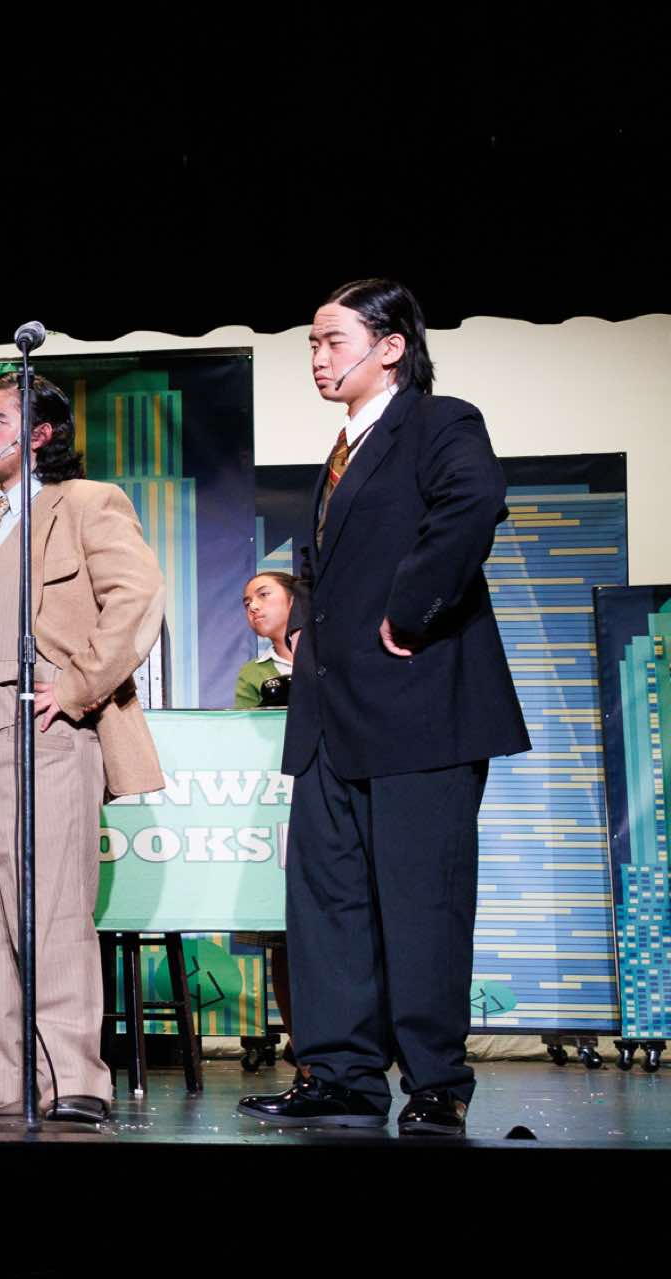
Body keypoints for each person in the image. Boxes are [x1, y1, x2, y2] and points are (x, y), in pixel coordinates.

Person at [240, 279, 527, 1136]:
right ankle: (341, 1074)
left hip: (419, 708)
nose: (318, 357)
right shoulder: (340, 451)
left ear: (391, 345)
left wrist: (411, 609)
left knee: (421, 899)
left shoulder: (441, 422)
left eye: (333, 340)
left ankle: (435, 1081)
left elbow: (473, 505)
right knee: (327, 904)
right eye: (312, 344)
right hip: (331, 719)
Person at [0, 372, 166, 1124]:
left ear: (40, 433)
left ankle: (73, 1077)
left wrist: (79, 684)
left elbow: (138, 596)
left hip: (50, 738)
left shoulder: (87, 502)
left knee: (51, 913)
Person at [231, 570, 299, 1058]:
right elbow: (243, 739)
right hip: (279, 811)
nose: (253, 606)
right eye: (245, 601)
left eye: (263, 595)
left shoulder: (335, 658)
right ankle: (303, 1043)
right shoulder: (254, 675)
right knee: (283, 936)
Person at [234, 571, 299, 708]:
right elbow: (244, 720)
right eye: (247, 603)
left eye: (263, 595)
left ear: (295, 600)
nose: (253, 607)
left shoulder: (336, 655)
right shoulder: (250, 672)